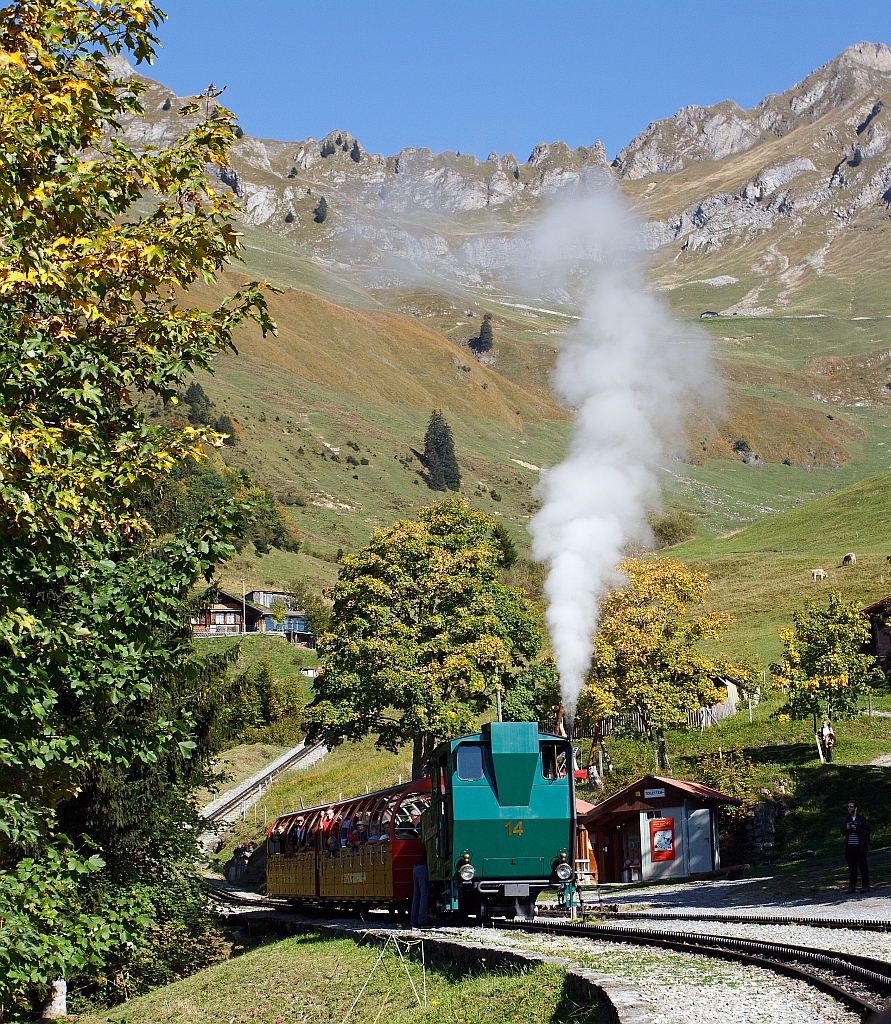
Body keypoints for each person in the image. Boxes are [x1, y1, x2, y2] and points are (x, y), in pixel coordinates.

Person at [841, 800, 870, 893]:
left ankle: (865, 886)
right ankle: (852, 886)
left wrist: (857, 829)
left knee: (863, 866)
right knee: (852, 867)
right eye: (848, 806)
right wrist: (847, 828)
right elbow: (842, 832)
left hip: (860, 847)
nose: (849, 808)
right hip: (849, 847)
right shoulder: (846, 819)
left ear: (855, 808)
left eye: (851, 807)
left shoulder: (861, 819)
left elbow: (867, 831)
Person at [410, 846, 429, 929]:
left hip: (416, 867)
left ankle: (413, 920)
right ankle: (422, 919)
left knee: (416, 895)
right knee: (424, 894)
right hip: (423, 868)